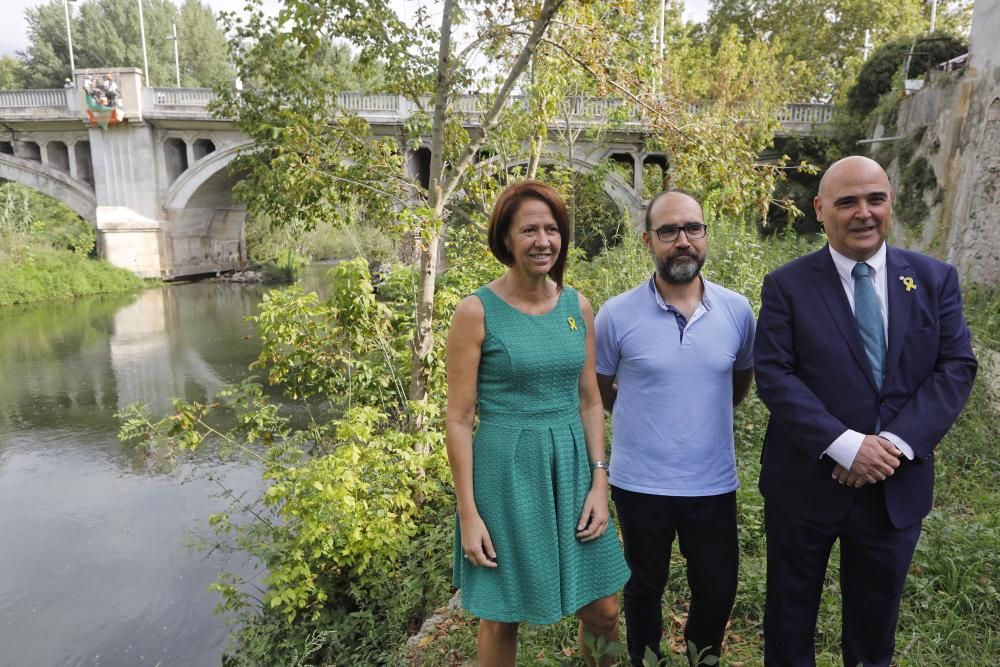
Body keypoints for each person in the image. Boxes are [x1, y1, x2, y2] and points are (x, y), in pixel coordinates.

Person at [754, 155, 978, 666]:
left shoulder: (934, 279)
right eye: (847, 201)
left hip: (893, 489)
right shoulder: (787, 285)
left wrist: (890, 447)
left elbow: (955, 366)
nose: (864, 213)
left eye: (875, 199)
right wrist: (847, 445)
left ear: (890, 203)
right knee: (789, 625)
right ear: (819, 209)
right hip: (804, 487)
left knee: (874, 632)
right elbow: (775, 374)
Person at [445, 180, 630, 666]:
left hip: (571, 468)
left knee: (604, 610)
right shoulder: (475, 312)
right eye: (529, 229)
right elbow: (460, 419)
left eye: (552, 229)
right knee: (501, 615)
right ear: (506, 238)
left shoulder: (577, 306)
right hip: (506, 475)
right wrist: (469, 514)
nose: (543, 240)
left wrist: (599, 481)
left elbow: (590, 400)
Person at [595, 190, 756, 665]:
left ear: (706, 235)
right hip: (640, 482)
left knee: (718, 588)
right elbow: (600, 388)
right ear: (648, 240)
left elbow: (739, 380)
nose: (682, 240)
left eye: (693, 229)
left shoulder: (737, 311)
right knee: (644, 587)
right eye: (668, 231)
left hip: (712, 482)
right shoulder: (616, 314)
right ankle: (648, 660)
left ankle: (701, 660)